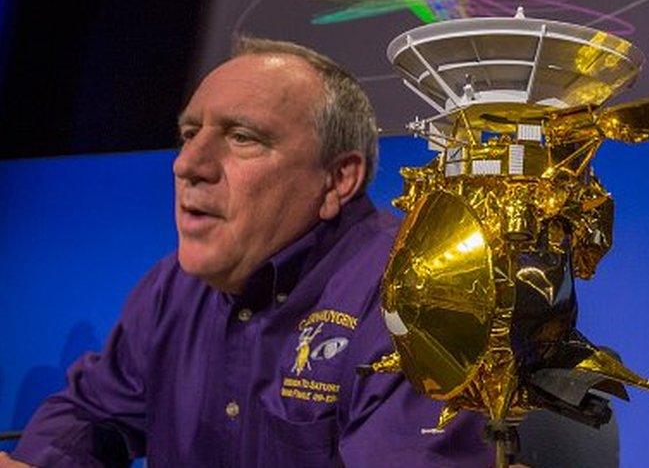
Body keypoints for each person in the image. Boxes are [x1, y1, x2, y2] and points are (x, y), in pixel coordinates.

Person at [0, 37, 492, 467]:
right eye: (190, 135)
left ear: (337, 179)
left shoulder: (411, 297)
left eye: (242, 137)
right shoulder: (173, 286)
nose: (188, 164)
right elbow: (92, 414)